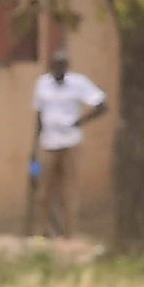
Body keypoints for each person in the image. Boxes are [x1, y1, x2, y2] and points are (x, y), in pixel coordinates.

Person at [28, 46, 107, 238]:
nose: (59, 70)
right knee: (43, 191)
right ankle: (40, 233)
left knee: (69, 191)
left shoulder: (78, 84)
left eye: (63, 66)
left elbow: (102, 106)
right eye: (56, 66)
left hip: (71, 143)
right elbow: (39, 116)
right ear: (51, 66)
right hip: (48, 144)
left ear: (67, 67)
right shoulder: (42, 84)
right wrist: (34, 148)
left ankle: (68, 235)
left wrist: (80, 122)